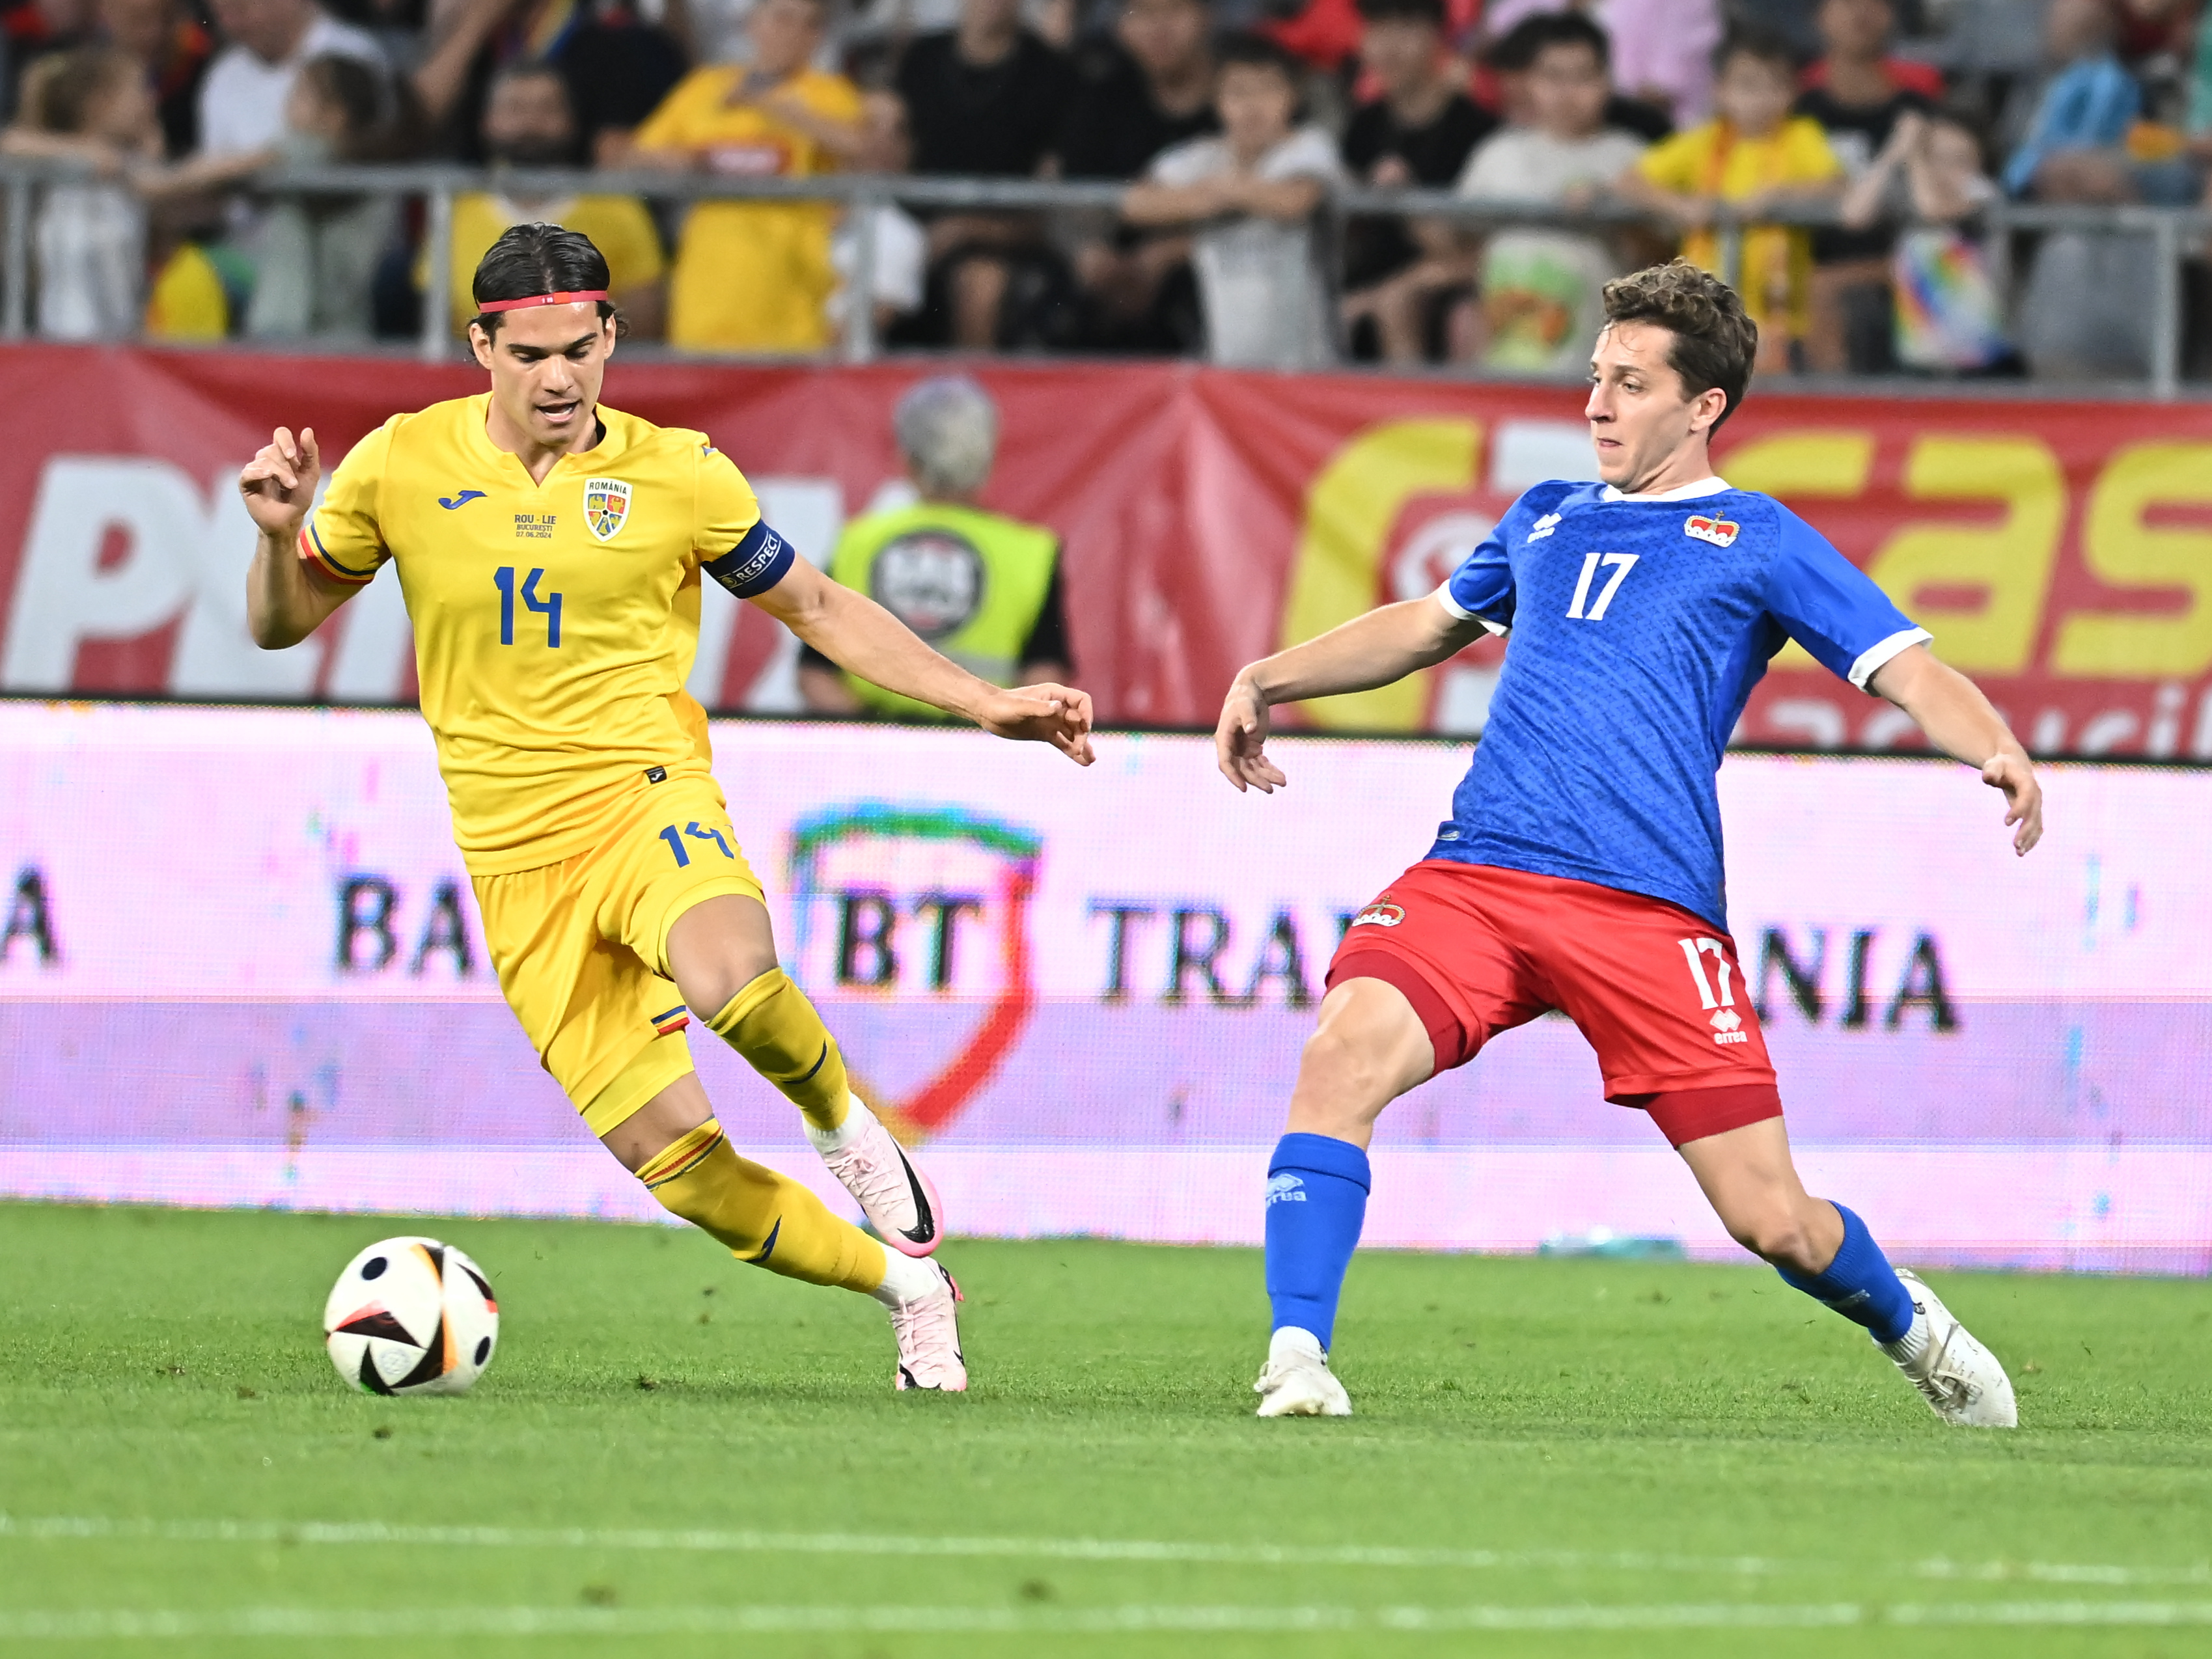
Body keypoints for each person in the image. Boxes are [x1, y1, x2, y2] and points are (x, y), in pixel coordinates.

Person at [240, 225, 1097, 1393]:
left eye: (581, 348)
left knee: (731, 980)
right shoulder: (398, 463)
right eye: (530, 351)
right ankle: (911, 1290)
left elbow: (818, 605)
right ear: (480, 342)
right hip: (512, 860)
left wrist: (980, 699)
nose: (558, 377)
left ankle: (845, 1124)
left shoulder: (679, 472)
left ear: (610, 337)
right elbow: (284, 622)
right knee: (682, 1171)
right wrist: (280, 538)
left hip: (642, 793)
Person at [1217, 258, 2033, 1429]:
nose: (1596, 404)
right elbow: (1425, 625)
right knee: (1338, 1055)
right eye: (1595, 377)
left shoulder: (1756, 536)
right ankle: (1296, 1353)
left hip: (1643, 910)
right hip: (1478, 874)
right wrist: (1267, 674)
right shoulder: (1542, 515)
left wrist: (1989, 740)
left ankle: (1908, 1320)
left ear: (1700, 405)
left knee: (1772, 1219)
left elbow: (1901, 662)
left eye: (1630, 383)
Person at [799, 376, 1072, 719]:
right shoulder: (1031, 554)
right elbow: (1044, 681)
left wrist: (877, 733)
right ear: (988, 460)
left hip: (873, 758)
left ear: (908, 461)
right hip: (980, 755)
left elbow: (815, 675)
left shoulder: (858, 542)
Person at [631, 0, 862, 353]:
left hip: (791, 290)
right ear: (752, 25)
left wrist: (769, 103)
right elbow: (634, 155)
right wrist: (676, 160)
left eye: (810, 24)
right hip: (709, 277)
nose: (794, 32)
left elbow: (860, 146)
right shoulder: (706, 89)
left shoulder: (829, 93)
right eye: (783, 18)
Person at [1618, 29, 1844, 372]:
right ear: (1720, 91)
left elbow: (1837, 185)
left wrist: (1779, 197)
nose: (1761, 98)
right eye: (1748, 86)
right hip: (1699, 317)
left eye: (1775, 86)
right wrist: (1680, 207)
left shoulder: (1802, 137)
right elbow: (1630, 182)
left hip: (1777, 322)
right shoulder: (1702, 141)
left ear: (1793, 93)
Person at [1124, 31, 1344, 369]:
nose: (1252, 106)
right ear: (1218, 100)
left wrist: (1225, 191)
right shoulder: (1204, 158)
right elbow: (1134, 204)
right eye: (1238, 92)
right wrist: (1212, 198)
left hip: (1307, 364)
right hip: (1227, 364)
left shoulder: (1309, 147)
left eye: (1267, 90)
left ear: (1292, 96)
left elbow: (1295, 201)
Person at [1454, 10, 1649, 372]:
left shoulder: (1635, 160)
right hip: (1500, 367)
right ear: (1531, 83)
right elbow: (1460, 248)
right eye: (1553, 76)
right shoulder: (1496, 155)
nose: (1566, 92)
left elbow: (1659, 258)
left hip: (1596, 373)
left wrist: (1617, 209)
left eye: (1582, 77)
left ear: (1608, 81)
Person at [433, 62, 665, 338]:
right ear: (487, 122)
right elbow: (438, 324)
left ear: (571, 120)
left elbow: (644, 327)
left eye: (547, 108)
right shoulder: (455, 210)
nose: (531, 123)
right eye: (515, 109)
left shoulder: (617, 208)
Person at [894, 0, 1074, 348]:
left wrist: (965, 227)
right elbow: (889, 152)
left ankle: (968, 397)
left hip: (1005, 235)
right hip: (912, 226)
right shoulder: (921, 58)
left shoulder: (1051, 72)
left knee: (981, 281)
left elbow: (1052, 202)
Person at [1336, 0, 1496, 363]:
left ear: (1439, 38)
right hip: (1367, 287)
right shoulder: (1363, 126)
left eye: (1406, 29)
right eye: (1378, 29)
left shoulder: (1477, 131)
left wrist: (1405, 201)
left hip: (1447, 294)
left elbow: (1472, 257)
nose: (1389, 47)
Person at [1060, 0, 1218, 352]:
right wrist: (1089, 252)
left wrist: (1170, 254)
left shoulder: (1240, 100)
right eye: (1144, 13)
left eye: (1174, 11)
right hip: (1116, 271)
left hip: (1212, 265)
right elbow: (1075, 192)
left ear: (1207, 18)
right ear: (1120, 27)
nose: (1159, 29)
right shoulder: (1100, 96)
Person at [1795, 0, 1938, 372]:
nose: (1861, 12)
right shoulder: (1794, 114)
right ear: (1819, 16)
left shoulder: (1923, 114)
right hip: (1799, 263)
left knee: (1821, 289)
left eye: (1876, 3)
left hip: (1903, 265)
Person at [1840, 106, 2013, 372]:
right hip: (1918, 353)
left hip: (1977, 354)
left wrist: (1916, 157)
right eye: (1936, 157)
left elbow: (1933, 212)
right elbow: (1854, 214)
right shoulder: (1916, 190)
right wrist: (1894, 151)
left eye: (1959, 160)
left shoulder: (1985, 195)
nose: (1945, 170)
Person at [195, 0, 385, 159]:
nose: (231, 24)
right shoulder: (222, 75)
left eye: (241, 9)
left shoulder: (352, 55)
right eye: (220, 14)